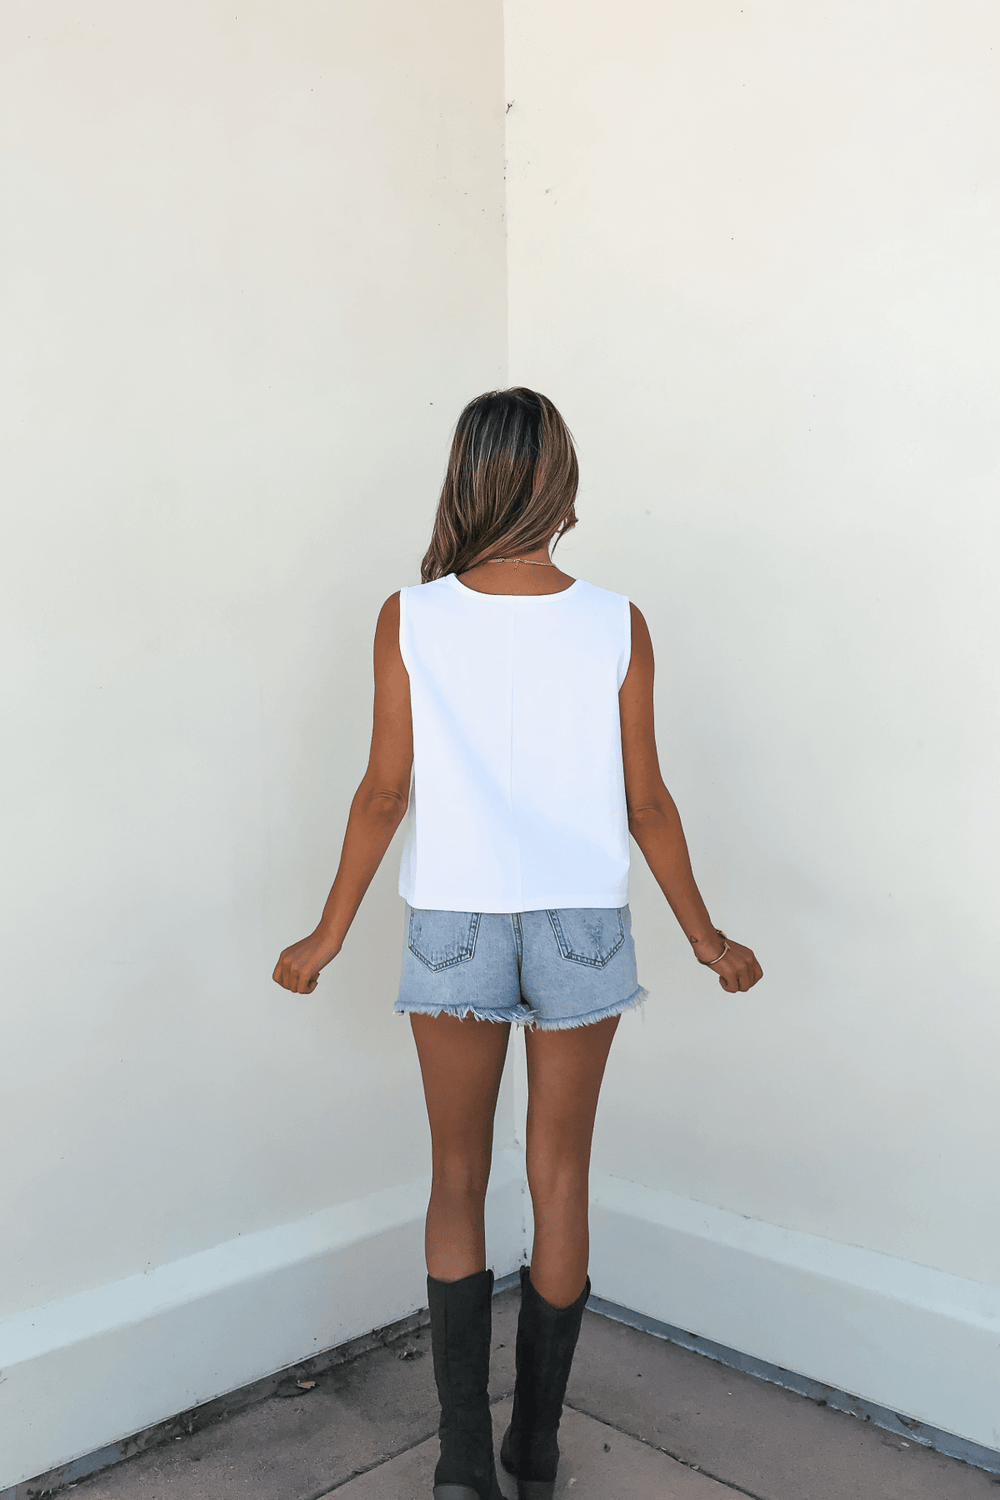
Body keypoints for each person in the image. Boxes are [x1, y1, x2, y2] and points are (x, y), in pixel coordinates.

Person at [272, 388, 763, 1500]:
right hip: (583, 922)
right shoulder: (616, 621)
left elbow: (383, 789)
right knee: (561, 1175)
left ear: (467, 475)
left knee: (455, 1175)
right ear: (559, 480)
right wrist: (705, 937)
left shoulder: (411, 616)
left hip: (451, 922)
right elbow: (646, 806)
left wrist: (327, 934)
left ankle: (458, 1464)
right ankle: (531, 1453)